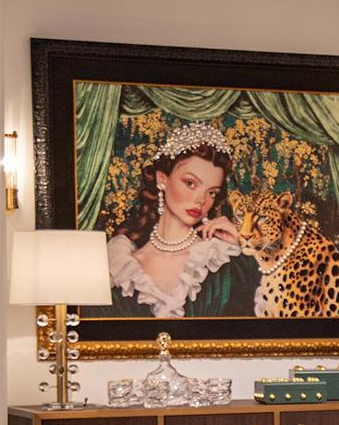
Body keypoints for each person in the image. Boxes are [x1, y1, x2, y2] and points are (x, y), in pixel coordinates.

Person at [104, 124, 259, 317]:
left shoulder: (220, 260)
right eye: (190, 183)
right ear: (162, 179)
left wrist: (242, 248)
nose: (201, 200)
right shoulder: (120, 264)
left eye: (211, 192)